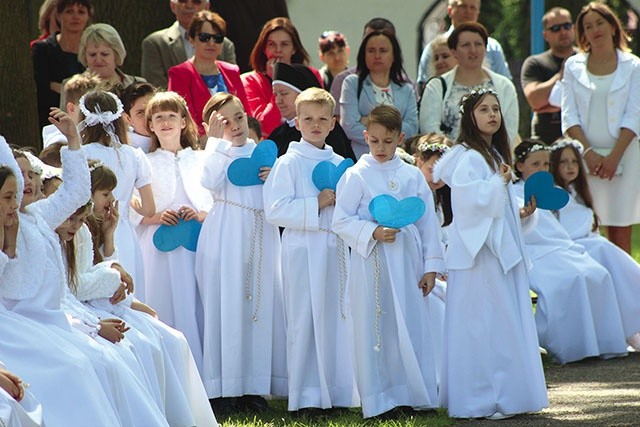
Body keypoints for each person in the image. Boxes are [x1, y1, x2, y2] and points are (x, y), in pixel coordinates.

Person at [433, 89, 548, 419]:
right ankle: (485, 396)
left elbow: (497, 203)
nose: (492, 115)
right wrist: (498, 185)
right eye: (484, 109)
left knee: (502, 321)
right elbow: (469, 204)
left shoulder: (494, 155)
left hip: (497, 253)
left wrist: (518, 212)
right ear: (470, 116)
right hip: (479, 255)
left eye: (496, 109)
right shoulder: (469, 156)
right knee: (482, 323)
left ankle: (509, 393)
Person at [331, 105, 442, 418]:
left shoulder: (411, 176)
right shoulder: (356, 175)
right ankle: (381, 400)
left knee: (410, 325)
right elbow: (341, 220)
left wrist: (430, 266)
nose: (380, 148)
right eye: (375, 140)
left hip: (406, 263)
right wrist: (372, 231)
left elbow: (427, 222)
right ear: (365, 137)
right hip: (373, 263)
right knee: (376, 327)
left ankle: (413, 393)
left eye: (388, 141)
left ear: (401, 139)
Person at [263, 88, 358, 414]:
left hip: (333, 248)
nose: (315, 125)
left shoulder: (341, 164)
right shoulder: (287, 163)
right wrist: (314, 204)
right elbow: (274, 210)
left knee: (335, 316)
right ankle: (305, 396)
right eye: (308, 119)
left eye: (321, 119)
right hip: (302, 249)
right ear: (297, 122)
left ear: (332, 123)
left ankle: (338, 391)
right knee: (304, 317)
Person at [195, 93, 287, 414]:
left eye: (238, 117)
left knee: (258, 306)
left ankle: (254, 386)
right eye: (224, 122)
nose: (234, 126)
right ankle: (224, 387)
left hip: (260, 235)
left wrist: (272, 178)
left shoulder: (263, 154)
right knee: (226, 305)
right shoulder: (215, 153)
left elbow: (278, 197)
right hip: (226, 234)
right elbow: (208, 180)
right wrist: (216, 143)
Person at [513, 139, 629, 363]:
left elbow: (557, 230)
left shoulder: (550, 191)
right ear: (520, 166)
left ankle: (599, 343)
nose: (542, 170)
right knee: (570, 279)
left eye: (546, 165)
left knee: (597, 274)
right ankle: (569, 346)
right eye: (535, 164)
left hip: (558, 247)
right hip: (533, 252)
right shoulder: (513, 192)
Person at [137, 91, 211, 371]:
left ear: (183, 121)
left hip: (196, 241)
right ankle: (171, 370)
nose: (165, 122)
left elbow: (214, 199)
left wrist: (200, 214)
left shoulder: (199, 158)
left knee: (196, 299)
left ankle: (203, 369)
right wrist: (157, 216)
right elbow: (134, 207)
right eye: (158, 117)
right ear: (151, 125)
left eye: (171, 116)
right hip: (159, 246)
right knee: (165, 299)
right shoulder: (146, 161)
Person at [561, 2, 640, 254]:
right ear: (582, 33)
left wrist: (614, 157)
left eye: (599, 23)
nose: (595, 30)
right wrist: (589, 153)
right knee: (587, 230)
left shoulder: (634, 65)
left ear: (613, 26)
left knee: (620, 229)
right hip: (585, 162)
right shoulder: (573, 66)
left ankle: (626, 290)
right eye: (588, 26)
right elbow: (568, 115)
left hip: (625, 157)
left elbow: (634, 114)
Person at [549, 139, 640, 350]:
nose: (570, 167)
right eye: (564, 162)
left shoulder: (581, 192)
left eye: (574, 161)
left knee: (617, 265)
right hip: (574, 247)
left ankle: (631, 325)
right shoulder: (554, 195)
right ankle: (626, 329)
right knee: (605, 255)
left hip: (592, 244)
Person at [80, 90, 155, 301]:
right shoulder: (134, 155)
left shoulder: (82, 154)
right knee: (131, 298)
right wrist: (127, 200)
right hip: (125, 232)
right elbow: (149, 208)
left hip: (92, 230)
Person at [419, 22, 518, 146]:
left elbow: (509, 132)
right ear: (454, 51)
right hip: (448, 160)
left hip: (491, 161)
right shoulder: (436, 86)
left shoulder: (505, 87)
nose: (473, 50)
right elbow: (429, 128)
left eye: (478, 44)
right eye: (466, 45)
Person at [168, 10, 250, 138]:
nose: (211, 43)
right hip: (201, 146)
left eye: (217, 38)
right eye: (204, 37)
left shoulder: (232, 71)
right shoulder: (179, 74)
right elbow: (184, 120)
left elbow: (246, 113)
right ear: (191, 39)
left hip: (238, 141)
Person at [340, 30, 418, 159]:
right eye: (371, 50)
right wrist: (393, 128)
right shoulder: (352, 83)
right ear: (363, 55)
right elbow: (349, 127)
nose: (377, 55)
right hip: (362, 159)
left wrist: (369, 121)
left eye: (383, 50)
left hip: (399, 159)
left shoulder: (407, 89)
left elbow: (412, 128)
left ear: (394, 56)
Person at [241, 17, 322, 137]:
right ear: (264, 48)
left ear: (294, 49)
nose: (278, 50)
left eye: (285, 44)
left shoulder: (310, 75)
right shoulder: (249, 81)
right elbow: (264, 127)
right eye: (271, 44)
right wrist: (277, 80)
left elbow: (320, 115)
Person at [269, 62, 355, 160]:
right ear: (297, 123)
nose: (278, 100)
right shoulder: (277, 134)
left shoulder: (327, 131)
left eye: (284, 93)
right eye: (275, 94)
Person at [141, 0, 236, 88]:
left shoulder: (225, 45)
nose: (189, 5)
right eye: (183, 0)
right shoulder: (155, 43)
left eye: (196, 1)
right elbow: (157, 90)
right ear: (173, 6)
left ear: (207, 7)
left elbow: (233, 88)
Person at [416, 0, 511, 88]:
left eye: (473, 7)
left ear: (478, 12)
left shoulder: (493, 48)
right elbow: (424, 85)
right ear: (449, 10)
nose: (468, 11)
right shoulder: (434, 48)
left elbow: (504, 85)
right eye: (463, 6)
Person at [31, 0, 92, 130]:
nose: (75, 17)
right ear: (58, 15)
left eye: (81, 12)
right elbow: (41, 86)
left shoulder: (92, 51)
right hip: (50, 120)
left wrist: (57, 86)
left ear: (88, 17)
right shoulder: (42, 49)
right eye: (69, 11)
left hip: (87, 121)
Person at [521, 7, 576, 144]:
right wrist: (560, 75)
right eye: (556, 28)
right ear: (545, 35)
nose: (563, 32)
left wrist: (549, 105)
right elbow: (535, 100)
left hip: (582, 143)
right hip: (546, 144)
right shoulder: (534, 63)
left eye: (567, 26)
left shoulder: (587, 59)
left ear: (573, 28)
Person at [60, 23, 146, 108]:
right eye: (92, 54)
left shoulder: (137, 83)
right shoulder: (72, 87)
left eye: (104, 54)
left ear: (116, 55)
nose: (98, 60)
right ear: (84, 56)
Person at [120, 82, 156, 153]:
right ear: (128, 118)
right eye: (140, 113)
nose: (149, 116)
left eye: (153, 109)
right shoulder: (125, 152)